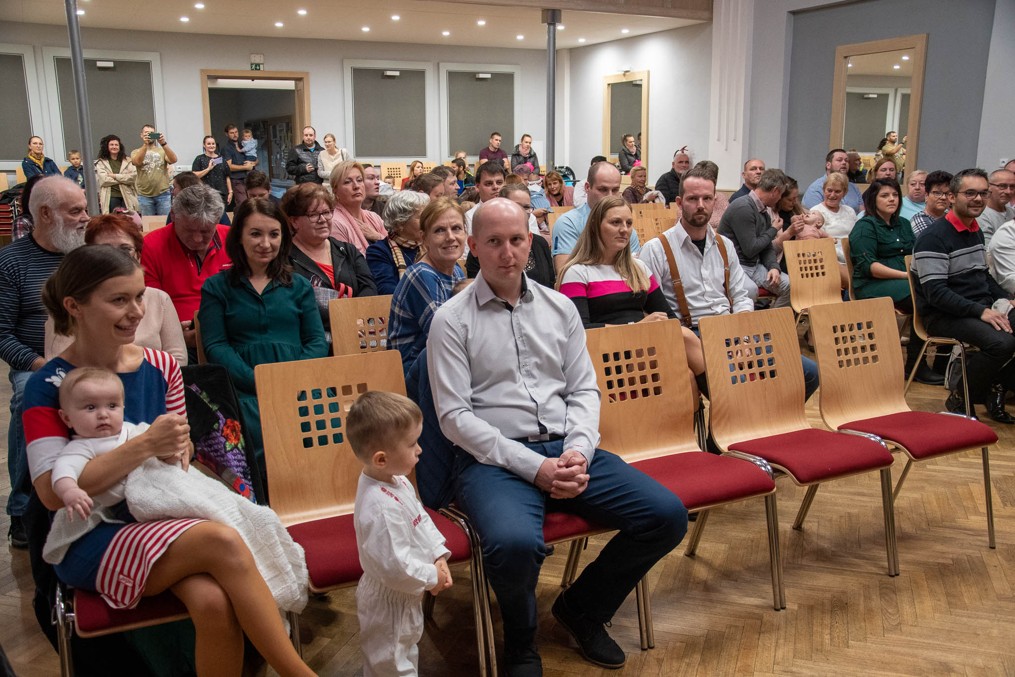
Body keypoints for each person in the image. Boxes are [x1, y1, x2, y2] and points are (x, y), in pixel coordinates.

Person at [25, 245, 315, 676]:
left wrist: (176, 449)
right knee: (221, 540)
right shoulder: (47, 384)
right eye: (119, 300)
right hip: (91, 534)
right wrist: (144, 446)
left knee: (213, 603)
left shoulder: (160, 365)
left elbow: (179, 456)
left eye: (139, 296)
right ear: (74, 306)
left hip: (162, 519)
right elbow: (52, 494)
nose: (136, 312)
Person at [427, 197, 687, 674]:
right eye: (494, 241)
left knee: (666, 516)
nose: (507, 252)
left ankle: (582, 608)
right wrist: (537, 468)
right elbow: (455, 418)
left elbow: (584, 390)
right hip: (494, 460)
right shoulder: (451, 320)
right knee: (514, 544)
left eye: (517, 240)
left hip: (567, 447)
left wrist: (578, 452)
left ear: (531, 243)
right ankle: (521, 643)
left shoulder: (559, 307)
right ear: (473, 247)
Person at [641, 167, 821, 400]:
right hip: (690, 335)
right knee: (739, 386)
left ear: (714, 201)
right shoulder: (656, 249)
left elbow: (741, 295)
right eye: (693, 199)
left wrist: (743, 335)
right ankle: (746, 418)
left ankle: (771, 416)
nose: (700, 205)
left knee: (809, 373)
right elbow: (653, 312)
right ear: (679, 202)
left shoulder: (724, 245)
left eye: (707, 198)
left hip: (731, 330)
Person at [198, 197, 329, 464]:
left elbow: (316, 341)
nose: (265, 243)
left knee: (323, 433)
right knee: (255, 433)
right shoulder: (216, 287)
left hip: (298, 384)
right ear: (239, 237)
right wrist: (259, 380)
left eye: (274, 234)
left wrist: (290, 379)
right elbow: (216, 346)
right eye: (256, 234)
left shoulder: (299, 286)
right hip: (243, 387)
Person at [1, 176, 88, 549]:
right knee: (29, 396)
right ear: (46, 214)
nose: (86, 217)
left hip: (92, 357)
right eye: (76, 211)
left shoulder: (86, 258)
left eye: (85, 208)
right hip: (36, 362)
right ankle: (23, 507)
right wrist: (44, 366)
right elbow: (2, 334)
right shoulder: (11, 262)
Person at [349, 391, 453, 676]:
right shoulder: (379, 508)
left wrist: (437, 554)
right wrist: (432, 576)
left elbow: (420, 519)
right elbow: (395, 566)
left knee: (406, 651)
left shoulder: (397, 481)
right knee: (391, 664)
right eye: (411, 444)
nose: (419, 450)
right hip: (388, 601)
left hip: (406, 593)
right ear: (381, 459)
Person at [912, 168, 1015, 422]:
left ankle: (997, 386)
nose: (978, 199)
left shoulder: (974, 229)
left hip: (976, 307)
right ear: (951, 197)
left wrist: (1006, 298)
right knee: (1001, 344)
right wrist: (981, 311)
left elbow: (983, 276)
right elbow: (936, 294)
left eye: (983, 193)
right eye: (970, 193)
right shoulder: (933, 238)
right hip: (942, 314)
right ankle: (960, 397)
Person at [45, 213, 187, 365]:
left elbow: (178, 359)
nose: (116, 257)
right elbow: (59, 362)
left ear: (138, 255)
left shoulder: (159, 299)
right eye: (105, 250)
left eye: (125, 249)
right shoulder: (75, 303)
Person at [848, 178, 940, 384]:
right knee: (924, 300)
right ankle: (916, 365)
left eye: (895, 195)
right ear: (873, 199)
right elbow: (870, 267)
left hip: (904, 282)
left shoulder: (904, 224)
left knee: (937, 292)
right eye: (885, 195)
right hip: (871, 284)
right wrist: (906, 275)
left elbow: (915, 255)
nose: (892, 199)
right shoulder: (865, 226)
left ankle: (938, 362)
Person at [141, 184, 233, 353]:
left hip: (231, 334)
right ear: (173, 216)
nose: (197, 239)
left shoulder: (233, 240)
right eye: (189, 230)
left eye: (206, 231)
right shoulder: (152, 245)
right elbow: (152, 306)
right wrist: (174, 335)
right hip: (174, 339)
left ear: (217, 221)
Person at [282, 183, 378, 341]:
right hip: (311, 342)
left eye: (326, 212)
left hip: (358, 335)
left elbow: (369, 288)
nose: (322, 220)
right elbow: (293, 309)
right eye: (313, 214)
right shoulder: (284, 259)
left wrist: (355, 320)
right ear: (294, 221)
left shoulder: (348, 251)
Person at [389, 197, 466, 375]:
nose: (450, 237)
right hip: (414, 375)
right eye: (440, 230)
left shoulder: (456, 270)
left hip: (444, 364)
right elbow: (447, 336)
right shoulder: (422, 274)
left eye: (456, 228)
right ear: (424, 238)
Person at [717, 169, 793, 307]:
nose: (779, 199)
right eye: (781, 194)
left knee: (788, 285)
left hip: (754, 266)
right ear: (775, 191)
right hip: (735, 266)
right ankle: (745, 321)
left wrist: (774, 267)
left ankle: (773, 320)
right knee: (749, 291)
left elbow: (766, 247)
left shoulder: (762, 210)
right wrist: (773, 230)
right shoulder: (743, 207)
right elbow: (750, 249)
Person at [552, 162, 640, 271]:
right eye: (603, 189)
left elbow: (635, 272)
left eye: (615, 190)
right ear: (587, 187)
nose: (610, 196)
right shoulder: (568, 223)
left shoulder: (626, 229)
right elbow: (565, 272)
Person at [467, 185, 554, 288]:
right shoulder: (482, 246)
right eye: (516, 206)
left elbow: (550, 283)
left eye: (526, 207)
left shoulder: (540, 243)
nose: (522, 212)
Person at [367, 191, 428, 294]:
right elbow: (387, 289)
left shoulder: (430, 246)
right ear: (400, 223)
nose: (426, 222)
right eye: (421, 217)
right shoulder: (379, 251)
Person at [329, 161, 389, 253]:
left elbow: (396, 250)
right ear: (335, 190)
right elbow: (348, 260)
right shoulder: (334, 223)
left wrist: (376, 236)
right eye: (347, 182)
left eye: (359, 180)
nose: (356, 186)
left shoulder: (374, 217)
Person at [808, 171, 857, 270]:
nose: (832, 195)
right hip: (830, 262)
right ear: (823, 190)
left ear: (844, 193)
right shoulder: (815, 212)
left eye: (837, 191)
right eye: (829, 190)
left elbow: (856, 237)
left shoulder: (850, 211)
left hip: (853, 258)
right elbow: (818, 245)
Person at [130, 124, 177, 216]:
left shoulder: (162, 151)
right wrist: (145, 144)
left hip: (163, 193)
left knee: (165, 221)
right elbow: (137, 162)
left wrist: (163, 143)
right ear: (141, 135)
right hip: (144, 195)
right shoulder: (135, 152)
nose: (149, 135)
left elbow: (173, 160)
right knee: (148, 223)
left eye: (151, 133)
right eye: (146, 133)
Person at [94, 134, 139, 214]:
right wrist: (123, 179)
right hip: (111, 197)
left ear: (120, 146)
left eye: (116, 145)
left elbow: (132, 178)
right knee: (114, 219)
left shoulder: (128, 161)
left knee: (128, 219)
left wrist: (115, 176)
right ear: (107, 146)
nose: (114, 147)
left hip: (127, 196)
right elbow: (104, 180)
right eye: (111, 145)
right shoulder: (101, 162)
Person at [464, 161, 507, 236]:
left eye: (499, 182)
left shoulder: (517, 212)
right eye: (489, 184)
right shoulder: (470, 217)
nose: (495, 187)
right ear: (477, 187)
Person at [910, 170, 953, 238]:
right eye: (937, 193)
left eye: (947, 194)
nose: (943, 197)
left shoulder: (951, 216)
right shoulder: (919, 219)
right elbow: (932, 241)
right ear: (926, 195)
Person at [221, 124, 256, 208]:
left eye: (236, 132)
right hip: (237, 180)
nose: (235, 134)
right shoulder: (226, 148)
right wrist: (246, 167)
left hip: (249, 178)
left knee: (253, 203)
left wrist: (253, 163)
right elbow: (228, 166)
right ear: (226, 134)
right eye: (232, 133)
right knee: (243, 203)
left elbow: (256, 158)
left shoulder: (244, 144)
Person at [978, 168, 1015, 246]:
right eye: (1002, 186)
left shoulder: (1012, 212)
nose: (1008, 191)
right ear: (988, 187)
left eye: (1012, 187)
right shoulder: (981, 215)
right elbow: (988, 249)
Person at [192, 135, 232, 206]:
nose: (211, 146)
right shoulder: (199, 159)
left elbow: (227, 176)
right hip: (206, 194)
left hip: (221, 194)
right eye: (209, 144)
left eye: (213, 143)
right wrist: (208, 169)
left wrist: (230, 192)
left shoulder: (221, 159)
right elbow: (194, 175)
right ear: (204, 145)